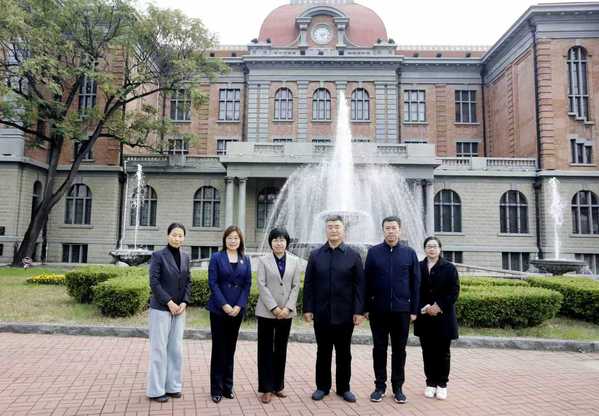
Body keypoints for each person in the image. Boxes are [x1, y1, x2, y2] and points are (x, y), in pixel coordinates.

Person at [303, 215, 366, 403]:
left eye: (337, 227)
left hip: (345, 314)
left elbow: (359, 286)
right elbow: (309, 284)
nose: (333, 230)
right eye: (330, 227)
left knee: (344, 353)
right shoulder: (315, 255)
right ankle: (322, 387)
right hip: (321, 313)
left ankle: (344, 388)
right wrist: (307, 308)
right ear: (326, 230)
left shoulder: (353, 256)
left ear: (343, 230)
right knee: (323, 352)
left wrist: (359, 311)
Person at [364, 216, 420, 404]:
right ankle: (379, 386)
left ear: (399, 230)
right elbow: (366, 282)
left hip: (401, 311)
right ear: (383, 230)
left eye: (394, 228)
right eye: (387, 228)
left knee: (399, 350)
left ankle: (398, 388)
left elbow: (415, 284)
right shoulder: (373, 253)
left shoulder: (409, 253)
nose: (391, 231)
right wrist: (366, 307)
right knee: (379, 349)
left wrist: (414, 310)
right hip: (378, 311)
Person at [255, 227, 302, 404]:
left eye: (282, 240)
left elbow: (296, 286)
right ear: (271, 242)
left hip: (286, 313)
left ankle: (278, 386)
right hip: (267, 312)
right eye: (275, 240)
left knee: (281, 349)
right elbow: (261, 285)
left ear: (287, 242)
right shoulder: (263, 261)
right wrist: (274, 308)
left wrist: (287, 308)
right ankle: (266, 388)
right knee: (265, 350)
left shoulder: (295, 261)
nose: (279, 243)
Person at [146, 222, 191, 402]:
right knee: (159, 349)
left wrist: (184, 302)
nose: (177, 238)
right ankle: (156, 390)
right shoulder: (158, 256)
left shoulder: (186, 257)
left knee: (175, 349)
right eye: (174, 235)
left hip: (179, 310)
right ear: (167, 236)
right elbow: (154, 282)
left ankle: (173, 386)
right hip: (161, 309)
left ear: (184, 238)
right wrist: (169, 302)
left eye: (180, 235)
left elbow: (188, 281)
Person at [207, 225, 252, 403]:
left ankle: (228, 387)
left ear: (240, 240)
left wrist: (239, 305)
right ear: (224, 240)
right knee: (219, 348)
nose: (233, 241)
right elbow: (213, 283)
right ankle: (216, 388)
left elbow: (247, 284)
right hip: (219, 310)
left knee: (230, 349)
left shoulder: (245, 259)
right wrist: (224, 305)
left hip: (237, 311)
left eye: (236, 238)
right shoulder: (216, 258)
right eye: (230, 238)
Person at [414, 236, 460, 401]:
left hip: (443, 317)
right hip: (425, 317)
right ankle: (430, 383)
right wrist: (424, 307)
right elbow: (414, 290)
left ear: (440, 249)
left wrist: (438, 306)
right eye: (428, 246)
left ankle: (442, 384)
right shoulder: (418, 267)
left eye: (434, 246)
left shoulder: (449, 268)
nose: (431, 249)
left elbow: (454, 291)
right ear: (424, 249)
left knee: (443, 353)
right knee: (427, 352)